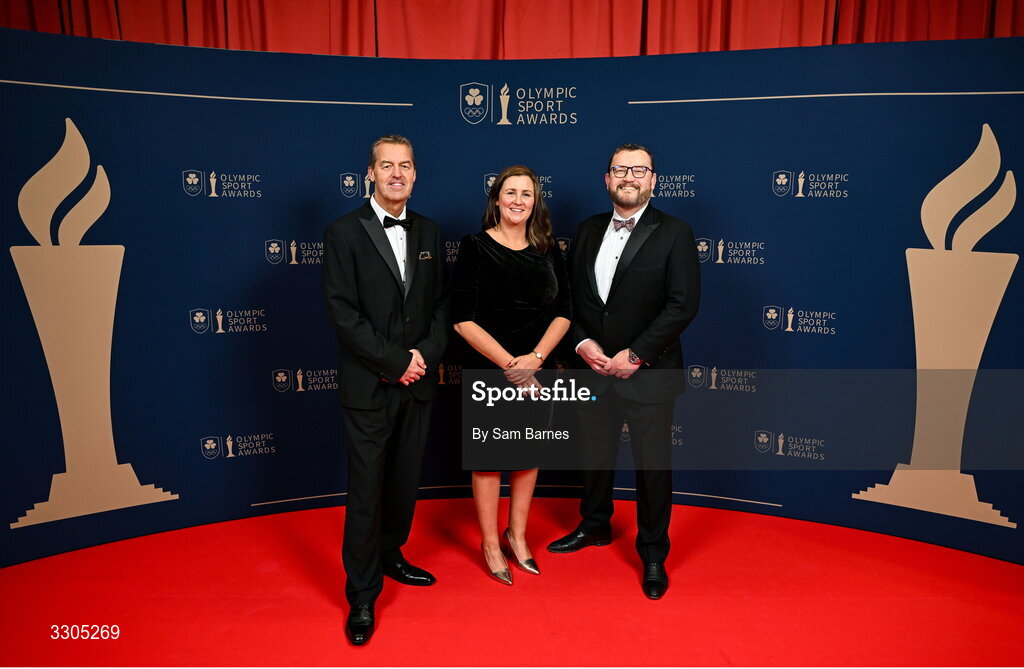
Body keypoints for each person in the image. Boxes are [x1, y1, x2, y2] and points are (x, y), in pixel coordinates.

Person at [546, 143, 700, 600]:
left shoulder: (675, 232)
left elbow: (682, 305)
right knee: (594, 455)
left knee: (652, 467)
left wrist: (635, 356)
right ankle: (594, 524)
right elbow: (569, 298)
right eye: (620, 169)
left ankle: (653, 552)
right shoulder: (587, 229)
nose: (628, 177)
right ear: (607, 179)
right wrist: (581, 343)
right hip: (592, 368)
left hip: (648, 372)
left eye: (639, 170)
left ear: (653, 180)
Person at [322, 135, 450, 645]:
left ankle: (391, 552)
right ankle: (361, 593)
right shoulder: (342, 232)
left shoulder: (430, 230)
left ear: (415, 174)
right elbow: (343, 313)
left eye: (406, 165)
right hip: (370, 386)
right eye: (387, 165)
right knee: (367, 490)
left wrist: (423, 358)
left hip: (417, 383)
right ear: (370, 173)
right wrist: (397, 362)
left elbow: (442, 305)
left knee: (403, 480)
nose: (397, 173)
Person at [452, 165, 571, 585]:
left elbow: (564, 313)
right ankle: (490, 543)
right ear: (496, 199)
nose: (518, 200)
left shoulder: (549, 249)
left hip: (538, 369)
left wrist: (535, 359)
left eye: (526, 194)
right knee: (488, 461)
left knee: (527, 456)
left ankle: (517, 536)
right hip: (490, 370)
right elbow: (462, 320)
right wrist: (511, 366)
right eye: (511, 192)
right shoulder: (475, 246)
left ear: (535, 202)